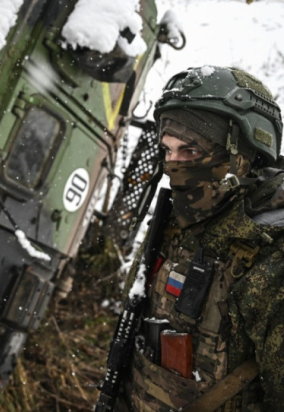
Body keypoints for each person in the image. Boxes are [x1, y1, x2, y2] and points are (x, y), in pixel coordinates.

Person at [116, 65, 284, 412]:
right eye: (167, 151)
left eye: (190, 151)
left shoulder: (270, 258)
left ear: (245, 154)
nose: (174, 166)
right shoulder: (176, 224)